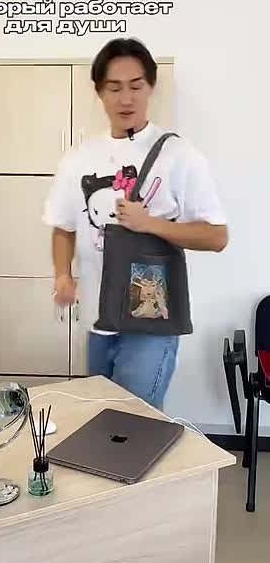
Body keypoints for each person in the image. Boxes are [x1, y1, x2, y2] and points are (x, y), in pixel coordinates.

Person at [42, 37, 228, 410]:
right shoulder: (78, 158)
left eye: (136, 86)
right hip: (97, 319)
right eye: (114, 88)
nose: (126, 99)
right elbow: (63, 226)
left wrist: (150, 224)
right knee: (102, 417)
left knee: (135, 421)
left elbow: (216, 236)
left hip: (151, 320)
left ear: (151, 88)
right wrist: (63, 275)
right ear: (99, 92)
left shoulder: (179, 155)